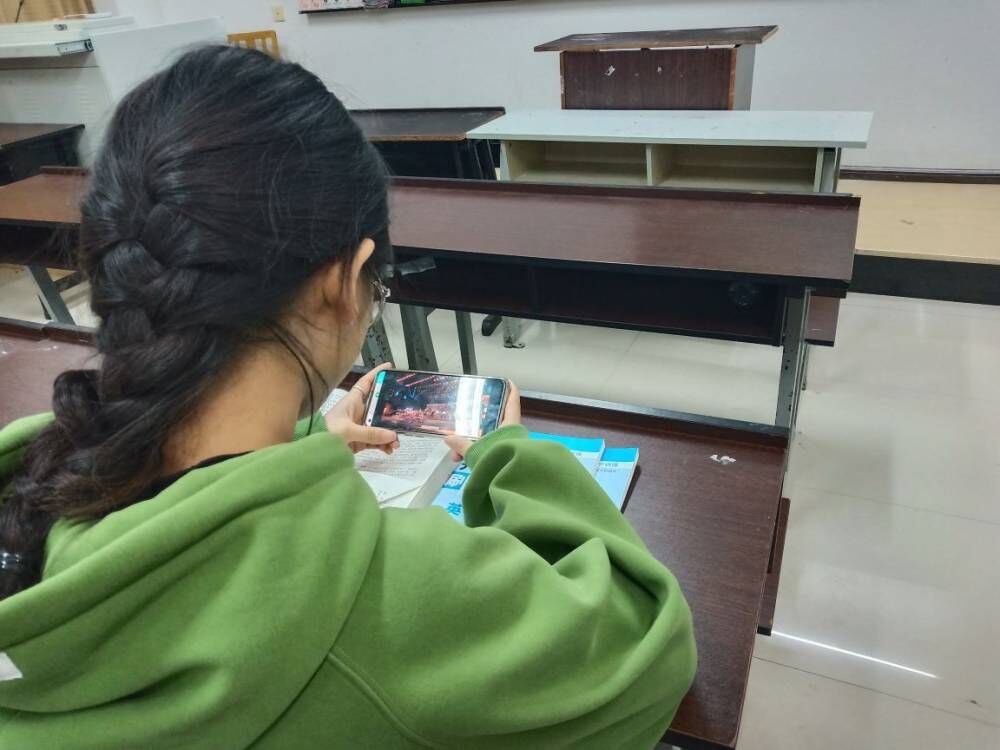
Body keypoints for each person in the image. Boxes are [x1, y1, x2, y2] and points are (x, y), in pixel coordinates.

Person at [0, 46, 696, 749]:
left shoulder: (36, 485)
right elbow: (645, 647)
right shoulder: (386, 604)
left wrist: (289, 454)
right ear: (343, 280)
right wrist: (510, 457)